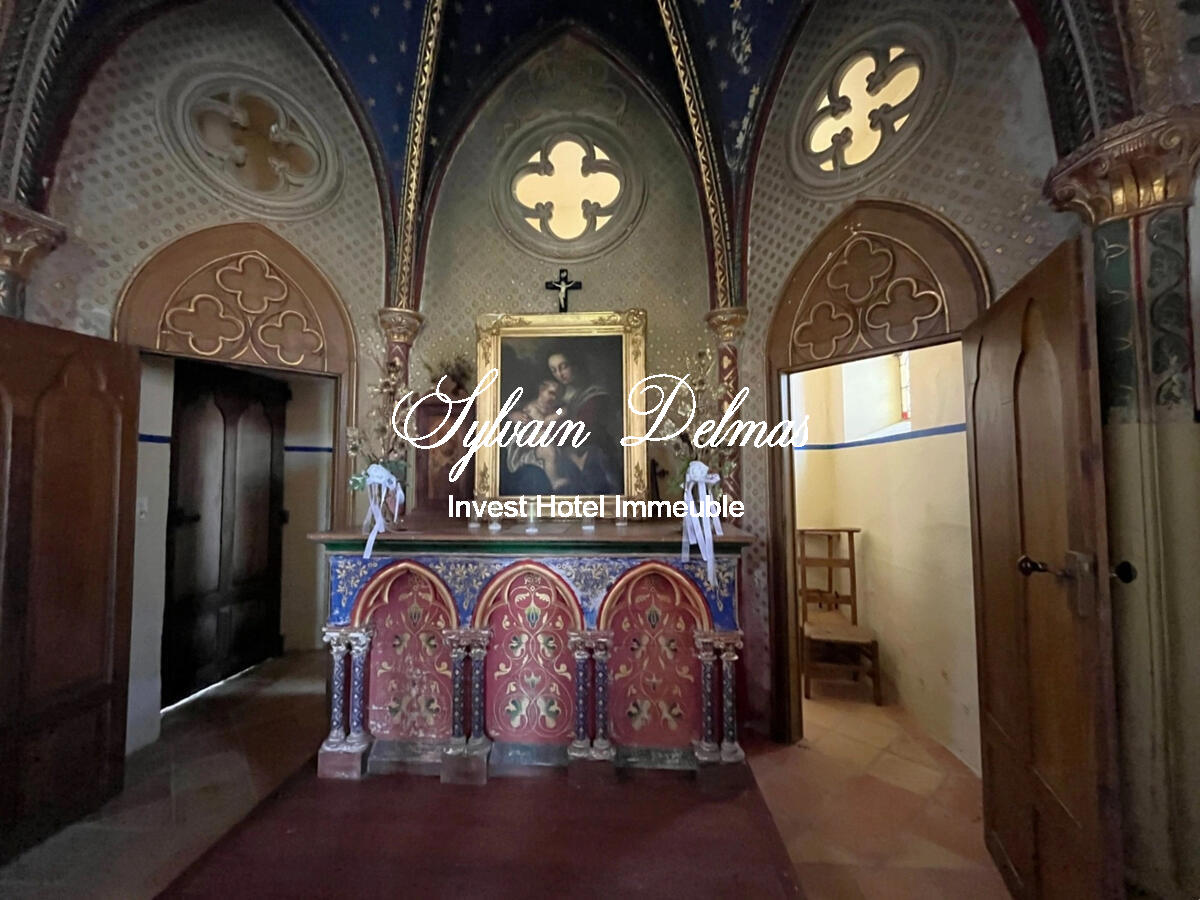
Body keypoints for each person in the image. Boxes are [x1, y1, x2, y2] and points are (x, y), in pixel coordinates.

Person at [546, 351, 620, 493]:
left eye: (564, 367)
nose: (560, 374)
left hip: (596, 455)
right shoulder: (558, 398)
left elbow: (585, 430)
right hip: (568, 456)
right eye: (554, 370)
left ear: (575, 365)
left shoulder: (595, 395)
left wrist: (548, 432)